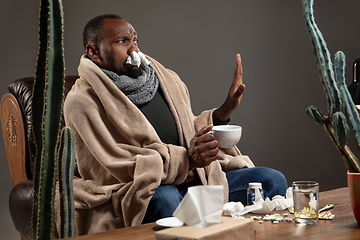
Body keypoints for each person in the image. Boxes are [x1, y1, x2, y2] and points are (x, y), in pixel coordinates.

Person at [64, 14, 287, 235]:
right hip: (144, 189)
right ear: (93, 51)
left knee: (271, 180)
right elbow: (112, 166)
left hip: (196, 178)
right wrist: (187, 160)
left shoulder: (164, 79)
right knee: (168, 200)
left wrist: (224, 110)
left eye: (135, 41)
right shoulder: (82, 101)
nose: (133, 49)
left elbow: (189, 126)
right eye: (122, 41)